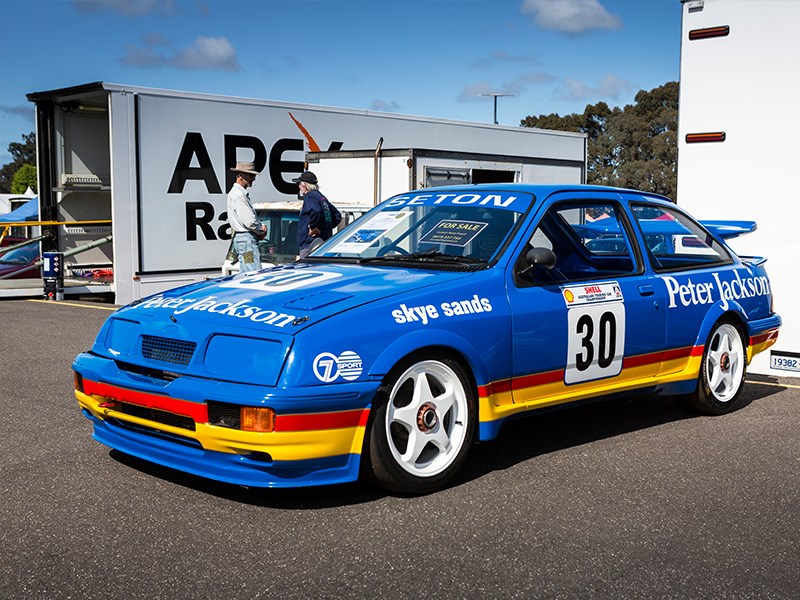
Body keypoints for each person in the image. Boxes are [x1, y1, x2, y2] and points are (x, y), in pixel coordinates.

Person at [227, 161, 267, 272]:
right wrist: (261, 229)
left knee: (247, 270)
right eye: (251, 175)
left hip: (242, 239)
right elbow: (249, 222)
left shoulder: (235, 193)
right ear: (240, 175)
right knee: (253, 273)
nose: (253, 178)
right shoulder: (240, 195)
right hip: (247, 239)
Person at [293, 171, 341, 258]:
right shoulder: (321, 197)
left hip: (310, 245)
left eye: (299, 184)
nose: (298, 186)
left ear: (305, 185)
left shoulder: (310, 196)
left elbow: (315, 210)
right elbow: (337, 216)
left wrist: (313, 227)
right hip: (323, 244)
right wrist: (325, 228)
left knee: (308, 270)